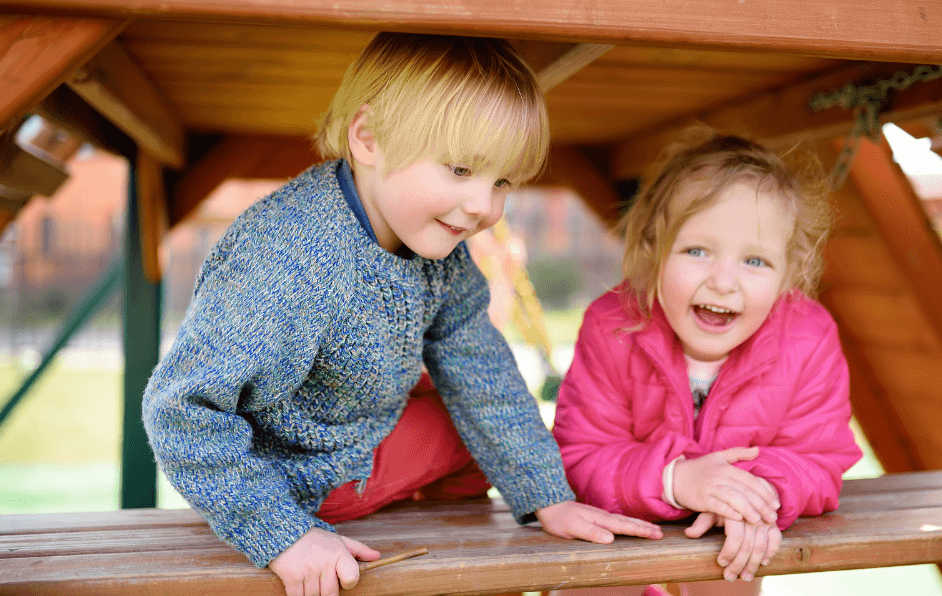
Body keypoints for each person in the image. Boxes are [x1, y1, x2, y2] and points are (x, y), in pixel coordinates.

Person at [142, 33, 661, 596]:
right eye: (460, 170)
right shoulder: (292, 258)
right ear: (367, 138)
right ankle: (446, 565)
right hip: (299, 477)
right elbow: (180, 410)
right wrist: (284, 535)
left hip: (350, 427)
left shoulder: (433, 244)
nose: (482, 206)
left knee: (477, 402)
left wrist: (548, 498)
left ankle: (435, 534)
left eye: (501, 182)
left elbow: (478, 365)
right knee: (471, 435)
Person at [552, 128, 863, 595]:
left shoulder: (808, 338)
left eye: (755, 261)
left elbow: (819, 459)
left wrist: (755, 493)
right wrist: (676, 480)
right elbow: (579, 455)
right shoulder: (613, 327)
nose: (723, 281)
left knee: (737, 564)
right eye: (697, 251)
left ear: (788, 273)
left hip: (727, 549)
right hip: (615, 551)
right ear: (654, 250)